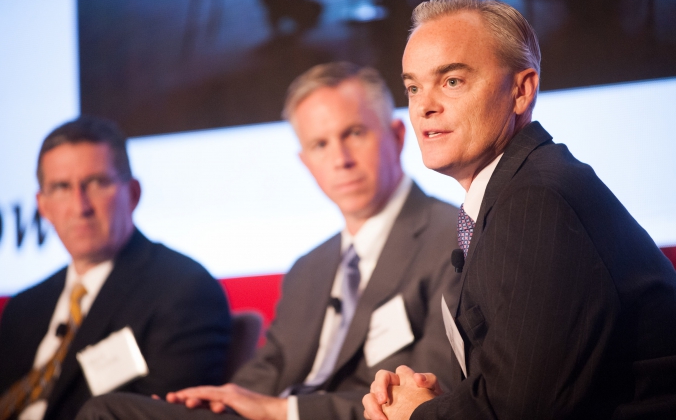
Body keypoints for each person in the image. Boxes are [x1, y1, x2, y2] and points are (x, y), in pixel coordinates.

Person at [75, 62, 462, 420]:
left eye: (354, 133)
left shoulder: (452, 237)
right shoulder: (310, 267)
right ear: (305, 162)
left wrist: (284, 411)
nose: (339, 158)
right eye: (320, 145)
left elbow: (431, 392)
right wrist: (216, 400)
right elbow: (269, 370)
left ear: (396, 137)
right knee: (113, 412)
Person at [362, 0, 676, 420]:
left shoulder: (537, 200)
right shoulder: (520, 188)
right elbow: (528, 384)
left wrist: (419, 416)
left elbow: (520, 411)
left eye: (452, 81)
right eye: (413, 87)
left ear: (521, 90)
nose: (424, 106)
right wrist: (439, 403)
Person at [0, 117, 232, 420]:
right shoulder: (24, 308)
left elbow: (161, 414)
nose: (80, 206)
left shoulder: (183, 291)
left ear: (133, 193)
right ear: (42, 206)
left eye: (96, 183)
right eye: (61, 187)